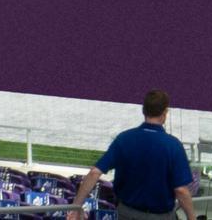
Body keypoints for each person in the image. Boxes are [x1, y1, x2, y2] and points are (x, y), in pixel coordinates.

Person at [69, 91, 198, 220]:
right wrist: (192, 217)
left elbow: (94, 173)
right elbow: (181, 190)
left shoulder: (124, 139)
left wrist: (76, 206)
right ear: (165, 113)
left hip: (126, 213)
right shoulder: (174, 146)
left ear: (143, 110)